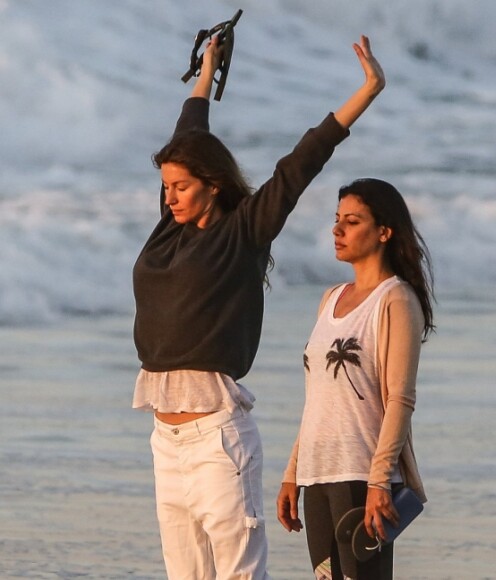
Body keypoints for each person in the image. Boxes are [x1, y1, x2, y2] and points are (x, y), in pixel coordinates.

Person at [131, 32, 385, 580]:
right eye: (165, 186)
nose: (169, 196)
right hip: (165, 443)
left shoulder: (244, 232)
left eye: (179, 187)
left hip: (217, 443)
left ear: (214, 186)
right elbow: (189, 133)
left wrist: (367, 91)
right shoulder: (167, 231)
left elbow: (302, 163)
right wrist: (207, 69)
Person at [276, 178, 435, 580]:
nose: (337, 229)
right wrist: (293, 473)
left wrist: (380, 481)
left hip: (361, 474)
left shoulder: (396, 300)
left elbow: (401, 398)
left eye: (352, 221)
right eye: (336, 220)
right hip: (318, 474)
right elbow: (318, 399)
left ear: (383, 232)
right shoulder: (330, 298)